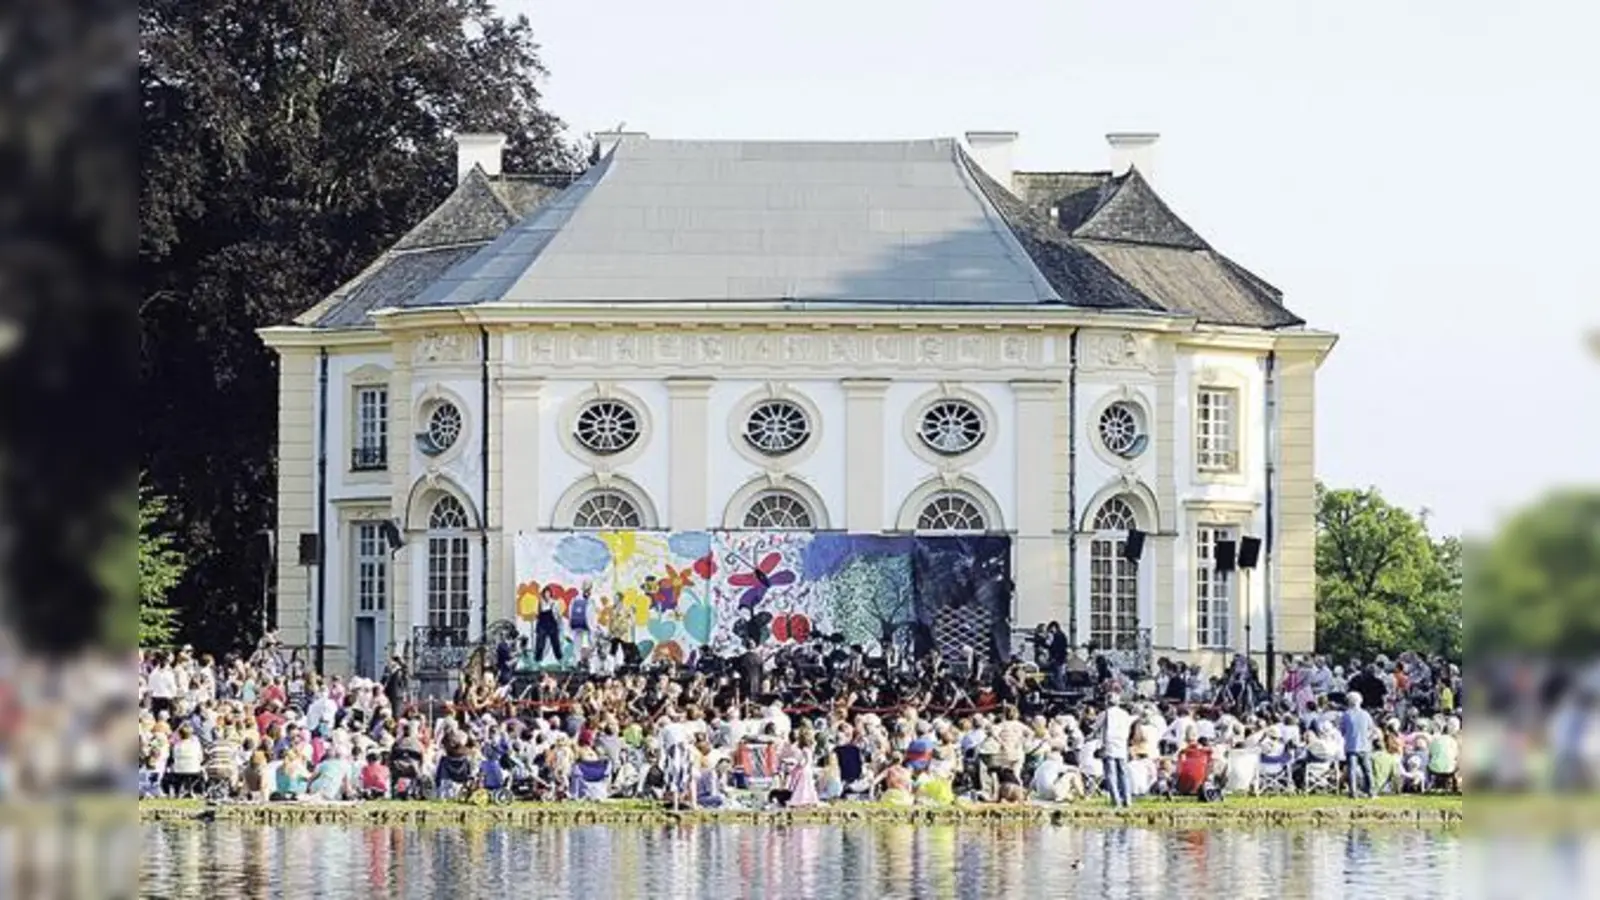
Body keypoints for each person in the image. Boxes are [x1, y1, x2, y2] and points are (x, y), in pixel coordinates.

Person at [1098, 693, 1134, 808]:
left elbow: (1096, 727)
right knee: (1124, 773)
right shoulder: (1125, 714)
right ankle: (1127, 800)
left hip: (1109, 745)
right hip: (1122, 745)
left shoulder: (1105, 713)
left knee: (1111, 774)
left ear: (1107, 702)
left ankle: (1116, 800)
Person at [1339, 691, 1377, 798]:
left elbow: (1342, 731)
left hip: (1351, 746)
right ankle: (1371, 792)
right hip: (1364, 746)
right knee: (1367, 770)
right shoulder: (1365, 714)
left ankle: (1353, 792)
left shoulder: (1346, 715)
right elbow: (1372, 729)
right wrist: (1368, 738)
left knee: (1352, 770)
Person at [533, 585, 564, 665]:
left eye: (548, 593)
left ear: (550, 594)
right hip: (542, 625)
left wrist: (559, 625)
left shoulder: (554, 602)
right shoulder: (540, 603)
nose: (547, 594)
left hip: (552, 624)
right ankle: (537, 661)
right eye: (545, 593)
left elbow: (559, 615)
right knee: (540, 644)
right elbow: (537, 615)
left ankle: (560, 660)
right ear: (543, 594)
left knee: (556, 644)